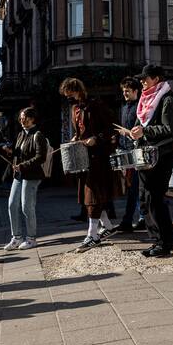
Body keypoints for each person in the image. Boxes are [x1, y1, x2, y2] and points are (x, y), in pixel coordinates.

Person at [129, 65, 173, 257]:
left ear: (157, 79)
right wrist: (134, 133)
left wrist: (146, 131)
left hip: (161, 156)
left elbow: (171, 130)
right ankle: (161, 240)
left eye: (147, 78)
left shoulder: (166, 100)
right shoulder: (146, 100)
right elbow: (141, 126)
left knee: (154, 199)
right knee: (145, 200)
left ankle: (164, 242)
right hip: (147, 157)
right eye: (142, 78)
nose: (142, 81)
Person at [60, 78, 117, 252]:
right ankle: (106, 226)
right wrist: (76, 138)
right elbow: (80, 131)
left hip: (99, 156)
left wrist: (97, 139)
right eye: (66, 95)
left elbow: (110, 129)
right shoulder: (74, 108)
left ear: (77, 90)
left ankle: (92, 235)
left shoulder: (96, 105)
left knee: (92, 195)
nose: (68, 97)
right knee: (90, 195)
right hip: (85, 158)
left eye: (70, 93)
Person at [1, 107, 46, 251]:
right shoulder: (21, 134)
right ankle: (16, 237)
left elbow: (41, 157)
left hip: (32, 176)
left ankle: (31, 238)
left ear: (32, 119)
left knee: (27, 206)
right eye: (20, 118)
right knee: (12, 204)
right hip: (19, 175)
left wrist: (23, 165)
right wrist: (9, 151)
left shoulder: (38, 135)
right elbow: (17, 152)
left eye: (24, 118)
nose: (21, 120)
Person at [116, 77, 145, 233]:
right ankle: (142, 218)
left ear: (135, 91)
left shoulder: (140, 107)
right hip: (127, 150)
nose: (125, 93)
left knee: (135, 187)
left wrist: (127, 133)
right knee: (135, 186)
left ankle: (128, 220)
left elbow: (140, 130)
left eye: (127, 91)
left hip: (137, 151)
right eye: (123, 91)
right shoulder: (124, 107)